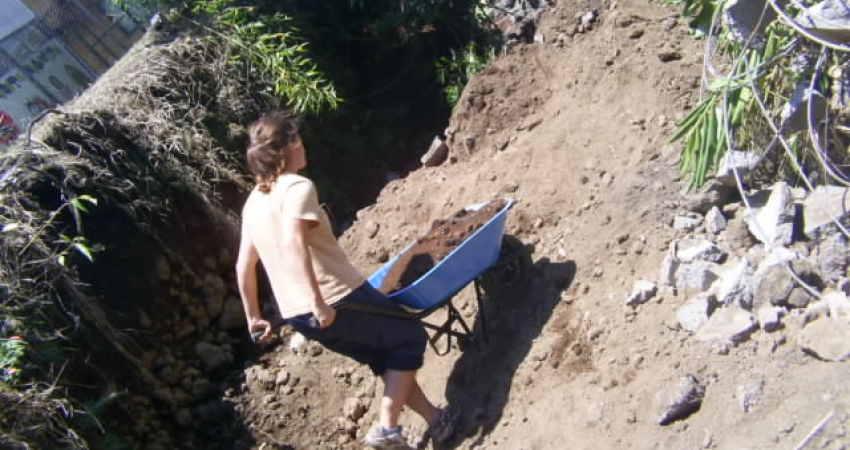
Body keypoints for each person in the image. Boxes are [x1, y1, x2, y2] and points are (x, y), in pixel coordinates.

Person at [235, 110, 456, 450]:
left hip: (298, 316)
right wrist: (317, 300)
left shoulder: (254, 203)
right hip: (335, 298)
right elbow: (294, 242)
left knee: (385, 357)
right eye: (298, 137)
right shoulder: (297, 187)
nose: (303, 143)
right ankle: (386, 429)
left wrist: (254, 316)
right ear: (290, 145)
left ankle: (434, 419)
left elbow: (244, 265)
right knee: (408, 338)